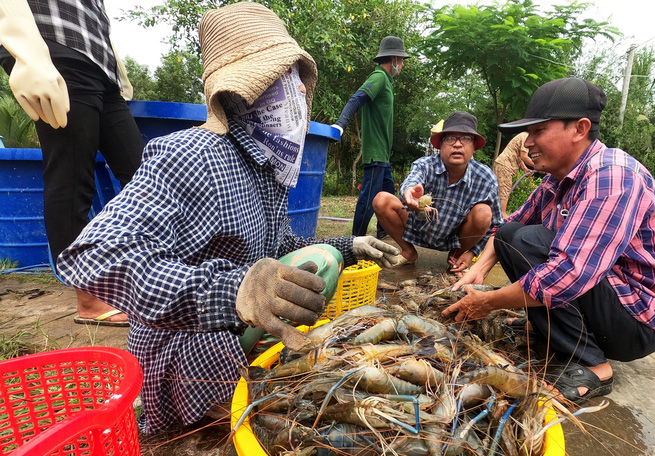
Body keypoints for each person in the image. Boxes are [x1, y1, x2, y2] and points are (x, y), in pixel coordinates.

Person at [56, 2, 400, 433]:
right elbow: (93, 256)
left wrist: (350, 246)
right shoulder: (189, 155)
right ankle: (205, 410)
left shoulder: (267, 167)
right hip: (184, 347)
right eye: (278, 79)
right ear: (238, 93)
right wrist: (233, 288)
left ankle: (249, 384)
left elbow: (278, 249)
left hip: (236, 331)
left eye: (295, 79)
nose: (295, 93)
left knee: (323, 260)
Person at [443, 78, 655, 404]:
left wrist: (487, 302)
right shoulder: (559, 177)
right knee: (510, 236)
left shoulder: (611, 176)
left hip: (643, 319)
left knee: (532, 242)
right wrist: (479, 268)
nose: (527, 142)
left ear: (579, 129)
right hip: (612, 297)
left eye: (538, 131)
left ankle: (594, 365)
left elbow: (568, 275)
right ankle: (553, 330)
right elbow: (512, 222)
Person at [0, 0, 144, 326]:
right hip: (54, 49)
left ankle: (145, 271)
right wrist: (26, 51)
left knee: (144, 175)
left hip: (101, 66)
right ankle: (89, 297)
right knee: (72, 174)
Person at [373, 111, 502, 271]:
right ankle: (408, 252)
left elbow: (496, 224)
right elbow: (412, 182)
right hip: (417, 225)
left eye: (466, 138)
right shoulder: (425, 165)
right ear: (440, 144)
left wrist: (472, 253)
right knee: (381, 199)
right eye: (450, 138)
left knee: (484, 213)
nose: (457, 144)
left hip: (454, 236)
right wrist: (410, 193)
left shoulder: (485, 177)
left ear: (474, 146)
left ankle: (456, 256)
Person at [332, 36, 409, 237]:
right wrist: (341, 124)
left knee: (388, 197)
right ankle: (355, 240)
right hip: (375, 154)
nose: (401, 65)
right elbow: (356, 99)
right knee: (368, 201)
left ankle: (383, 234)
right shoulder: (379, 77)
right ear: (393, 59)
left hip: (383, 155)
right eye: (400, 61)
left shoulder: (388, 82)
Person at [493, 131, 535, 218]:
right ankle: (502, 215)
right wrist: (537, 165)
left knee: (498, 189)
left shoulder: (522, 135)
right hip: (505, 165)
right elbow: (524, 156)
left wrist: (524, 169)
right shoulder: (526, 137)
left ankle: (496, 214)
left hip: (502, 163)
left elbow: (519, 157)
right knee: (504, 190)